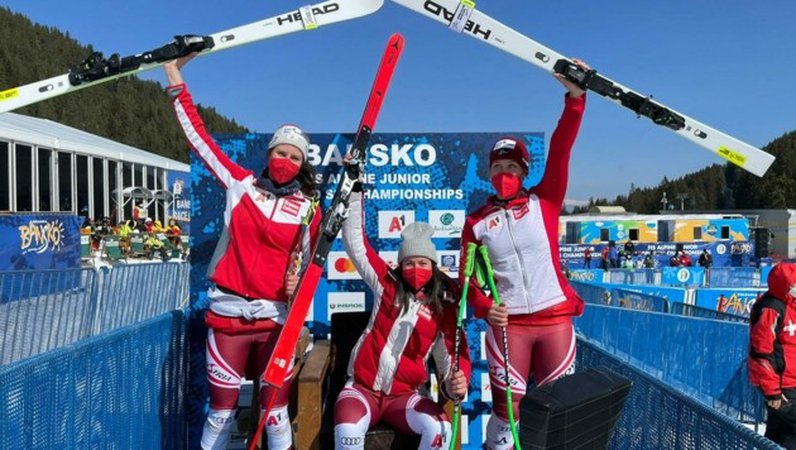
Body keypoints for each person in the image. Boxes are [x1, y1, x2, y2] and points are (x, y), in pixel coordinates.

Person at [164, 54, 323, 450]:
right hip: (229, 317)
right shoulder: (242, 185)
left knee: (274, 413)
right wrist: (174, 80)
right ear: (269, 154)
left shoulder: (307, 208)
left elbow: (309, 269)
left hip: (273, 320)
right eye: (280, 152)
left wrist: (295, 282)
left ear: (302, 164)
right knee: (221, 413)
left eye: (294, 156)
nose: (285, 161)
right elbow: (199, 140)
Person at [459, 60, 588, 450]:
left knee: (558, 409)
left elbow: (562, 148)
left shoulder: (544, 201)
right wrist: (484, 308)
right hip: (509, 325)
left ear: (524, 170)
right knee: (507, 411)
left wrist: (576, 98)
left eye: (511, 166)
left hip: (554, 320)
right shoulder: (477, 221)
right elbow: (468, 281)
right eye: (497, 166)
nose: (504, 173)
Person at [335, 183, 475, 450]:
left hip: (405, 397)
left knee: (441, 429)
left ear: (433, 267)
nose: (415, 268)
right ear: (400, 265)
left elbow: (450, 363)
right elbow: (356, 244)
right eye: (409, 263)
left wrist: (455, 383)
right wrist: (354, 192)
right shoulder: (386, 285)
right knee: (347, 430)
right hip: (363, 390)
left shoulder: (443, 309)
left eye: (422, 263)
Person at [749, 263, 796, 448]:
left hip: (791, 381)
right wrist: (772, 391)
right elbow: (762, 351)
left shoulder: (791, 305)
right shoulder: (771, 308)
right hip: (781, 384)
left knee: (779, 432)